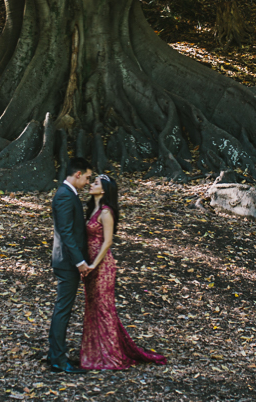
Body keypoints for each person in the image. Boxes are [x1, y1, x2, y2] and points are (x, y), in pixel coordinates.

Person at [80, 173, 167, 370]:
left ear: (104, 189)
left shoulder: (106, 212)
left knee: (104, 309)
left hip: (102, 266)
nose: (91, 184)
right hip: (91, 264)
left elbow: (107, 242)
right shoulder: (92, 209)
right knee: (92, 308)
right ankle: (94, 354)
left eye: (96, 183)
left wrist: (94, 265)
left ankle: (110, 356)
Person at [47, 157, 93, 374]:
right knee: (63, 310)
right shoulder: (65, 196)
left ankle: (57, 352)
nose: (87, 182)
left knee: (63, 309)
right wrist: (80, 262)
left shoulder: (68, 194)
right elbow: (66, 232)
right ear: (77, 174)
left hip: (66, 260)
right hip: (67, 262)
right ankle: (57, 358)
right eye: (87, 177)